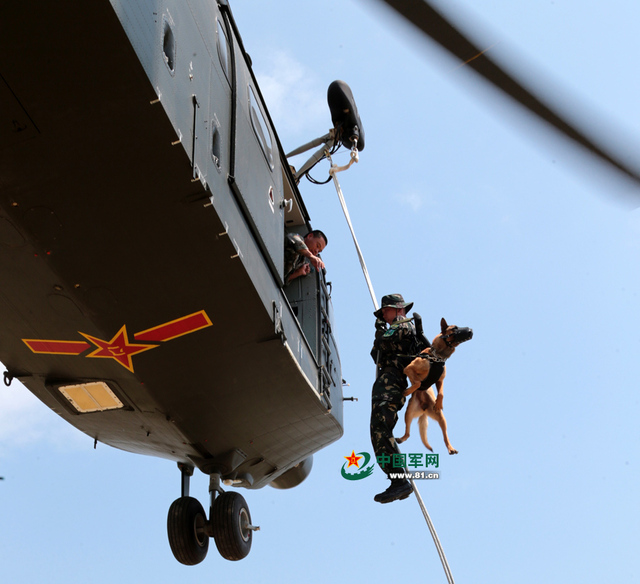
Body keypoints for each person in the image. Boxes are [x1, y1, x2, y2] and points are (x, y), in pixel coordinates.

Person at [370, 293, 428, 504]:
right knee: (378, 431)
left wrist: (379, 330)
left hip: (392, 384)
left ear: (398, 309)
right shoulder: (395, 327)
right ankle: (397, 479)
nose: (384, 315)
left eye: (386, 311)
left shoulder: (403, 326)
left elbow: (383, 341)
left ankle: (400, 480)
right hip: (386, 383)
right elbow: (375, 353)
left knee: (382, 429)